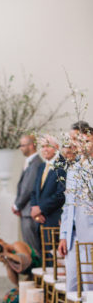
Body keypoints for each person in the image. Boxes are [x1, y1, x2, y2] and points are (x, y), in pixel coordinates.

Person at [58, 125, 93, 292]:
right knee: (72, 284)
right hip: (72, 237)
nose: (79, 145)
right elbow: (67, 206)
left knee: (88, 285)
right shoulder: (72, 169)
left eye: (85, 141)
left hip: (89, 234)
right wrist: (64, 235)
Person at [0, 237, 42, 303]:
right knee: (8, 300)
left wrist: (6, 254)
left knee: (14, 300)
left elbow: (26, 260)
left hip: (40, 276)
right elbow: (15, 282)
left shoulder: (16, 245)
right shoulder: (8, 256)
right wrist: (6, 262)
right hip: (31, 279)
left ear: (1, 241)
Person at [30, 135, 66, 236]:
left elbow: (61, 194)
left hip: (54, 220)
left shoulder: (63, 165)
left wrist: (40, 208)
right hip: (39, 220)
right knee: (42, 251)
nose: (45, 149)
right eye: (42, 146)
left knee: (53, 252)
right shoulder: (41, 166)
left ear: (57, 147)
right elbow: (34, 191)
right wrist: (34, 209)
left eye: (48, 146)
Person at [12, 134, 43, 253]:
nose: (20, 148)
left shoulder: (36, 163)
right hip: (25, 211)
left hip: (30, 212)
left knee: (33, 249)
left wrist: (17, 205)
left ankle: (35, 271)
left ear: (31, 145)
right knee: (29, 248)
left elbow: (28, 188)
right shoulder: (30, 162)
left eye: (22, 145)